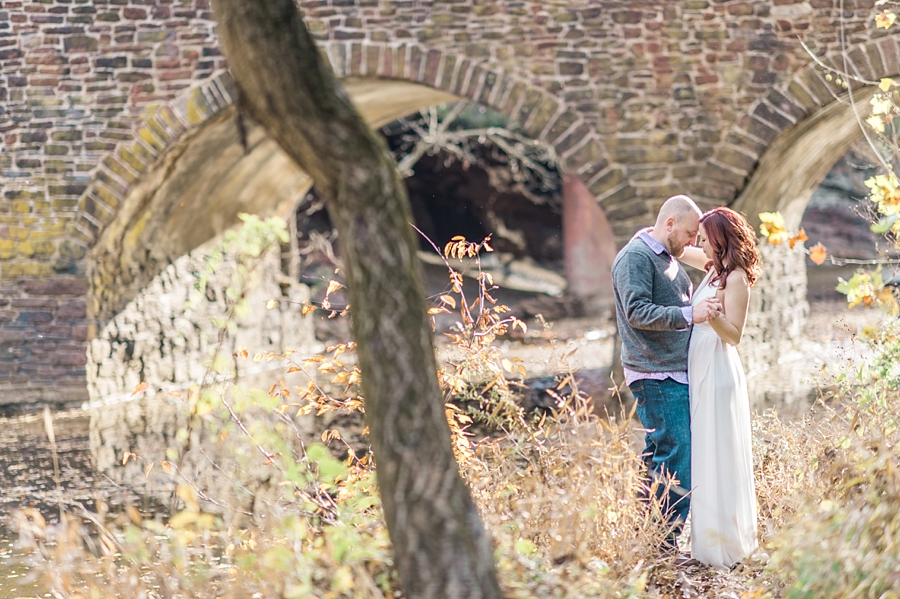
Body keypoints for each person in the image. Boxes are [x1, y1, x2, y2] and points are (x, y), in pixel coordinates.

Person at [611, 195, 722, 559]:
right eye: (690, 234)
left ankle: (651, 539)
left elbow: (708, 260)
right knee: (679, 459)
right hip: (655, 374)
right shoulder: (636, 258)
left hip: (670, 372)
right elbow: (637, 312)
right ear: (670, 223)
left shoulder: (664, 256)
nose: (692, 242)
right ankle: (664, 546)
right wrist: (692, 314)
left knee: (660, 458)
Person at [678, 206, 760, 569]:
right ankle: (707, 539)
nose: (701, 245)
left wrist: (713, 316)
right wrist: (645, 236)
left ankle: (725, 545)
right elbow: (677, 249)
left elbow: (735, 336)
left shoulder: (737, 279)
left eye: (706, 240)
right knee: (703, 449)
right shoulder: (713, 269)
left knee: (718, 449)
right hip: (699, 368)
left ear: (720, 241)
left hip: (718, 367)